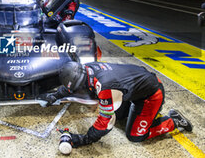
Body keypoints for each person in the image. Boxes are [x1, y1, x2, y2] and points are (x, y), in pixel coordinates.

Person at [42, 61, 192, 147]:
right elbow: (72, 86)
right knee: (120, 116)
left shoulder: (105, 86)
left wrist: (86, 139)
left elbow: (106, 122)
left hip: (151, 94)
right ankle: (138, 114)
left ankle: (173, 120)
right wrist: (55, 95)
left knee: (135, 136)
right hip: (133, 86)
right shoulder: (85, 69)